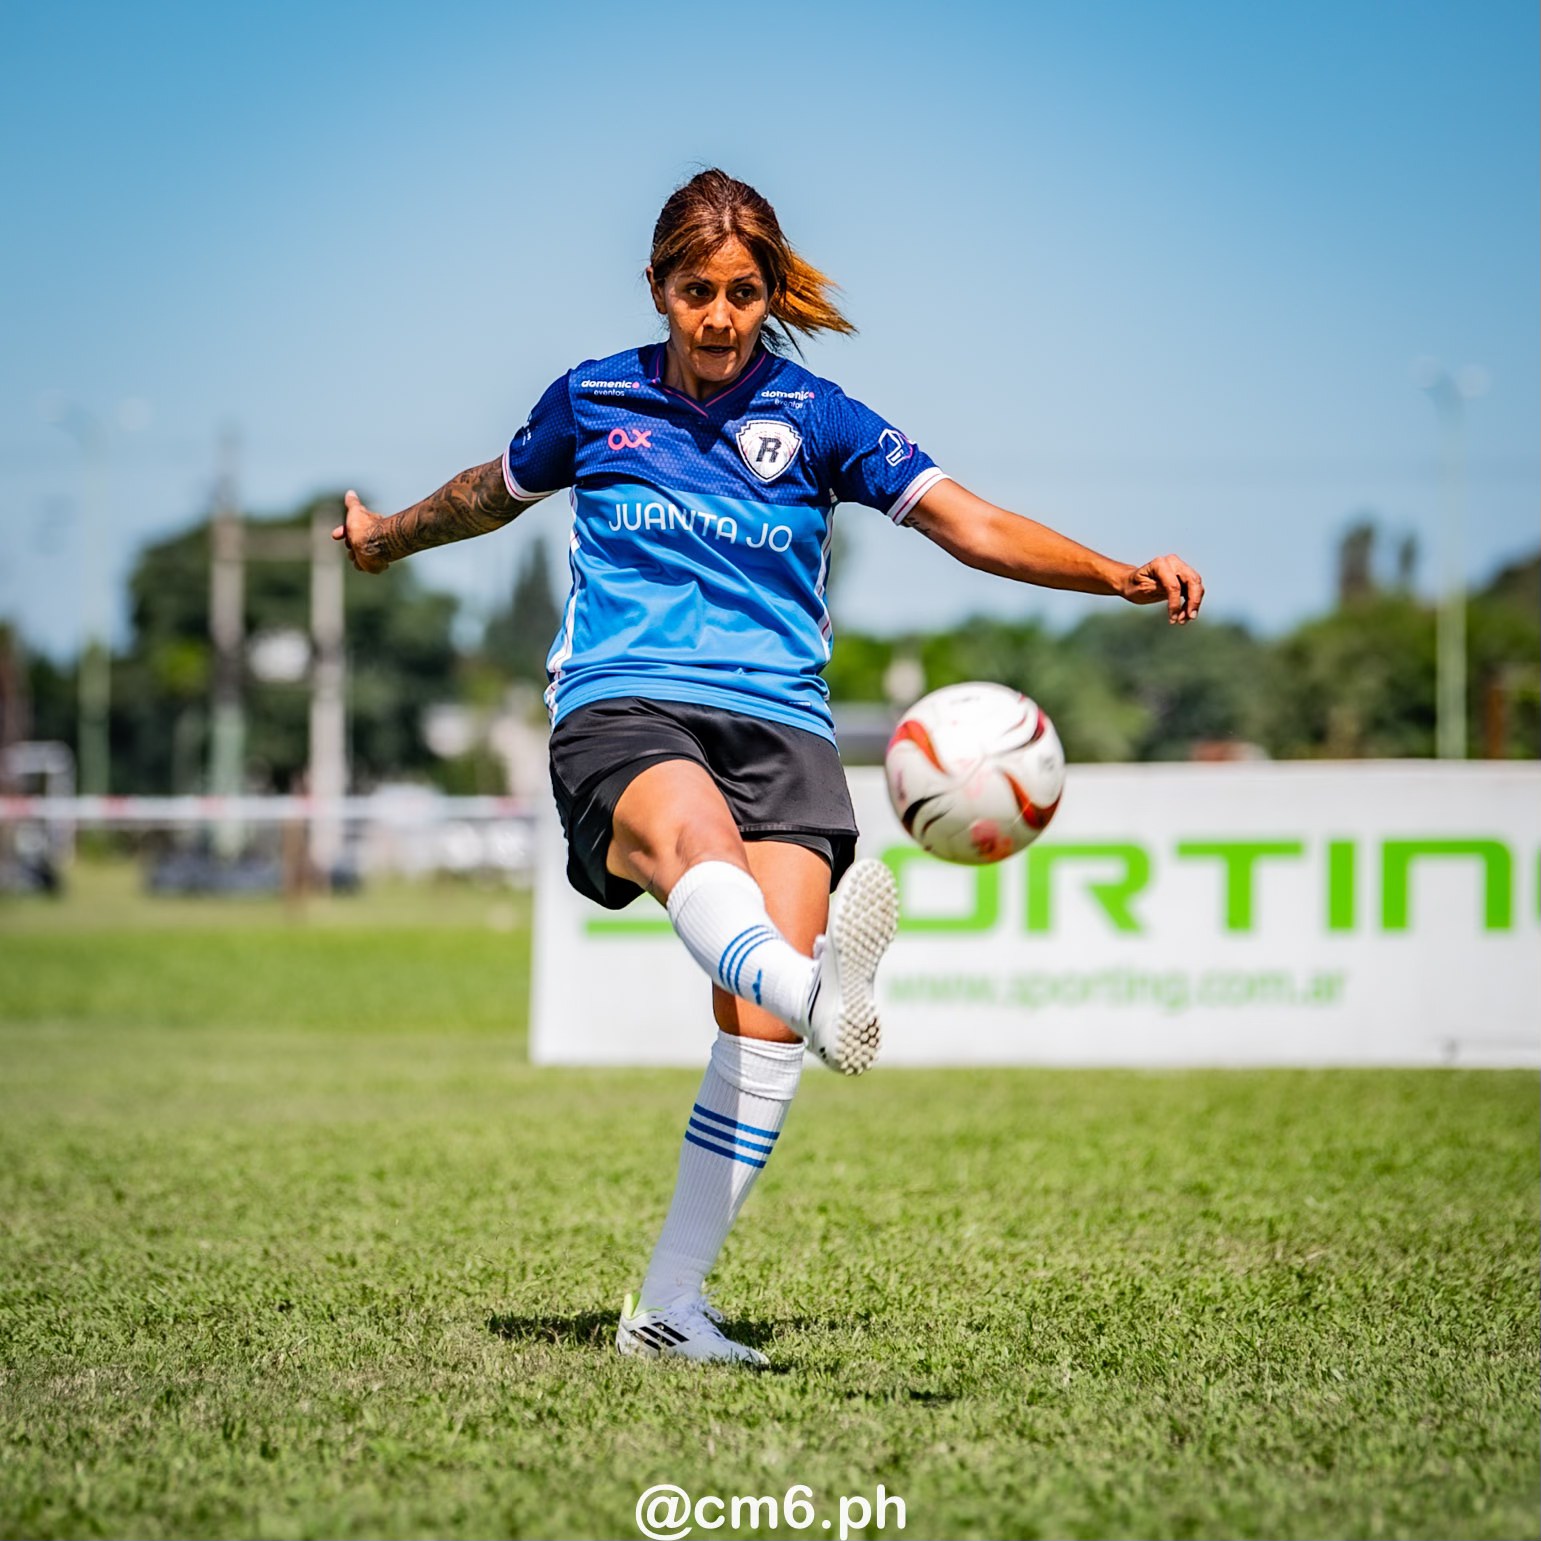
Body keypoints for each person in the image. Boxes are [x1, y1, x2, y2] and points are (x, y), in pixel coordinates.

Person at [335, 168, 1203, 1366]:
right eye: (697, 291)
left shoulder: (821, 415)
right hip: (623, 703)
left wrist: (1110, 572)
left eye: (742, 293)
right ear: (656, 286)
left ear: (765, 293)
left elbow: (967, 521)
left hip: (782, 726)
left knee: (756, 1019)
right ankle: (822, 997)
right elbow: (488, 493)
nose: (719, 318)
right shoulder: (593, 399)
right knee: (698, 850)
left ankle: (670, 1308)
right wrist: (385, 535)